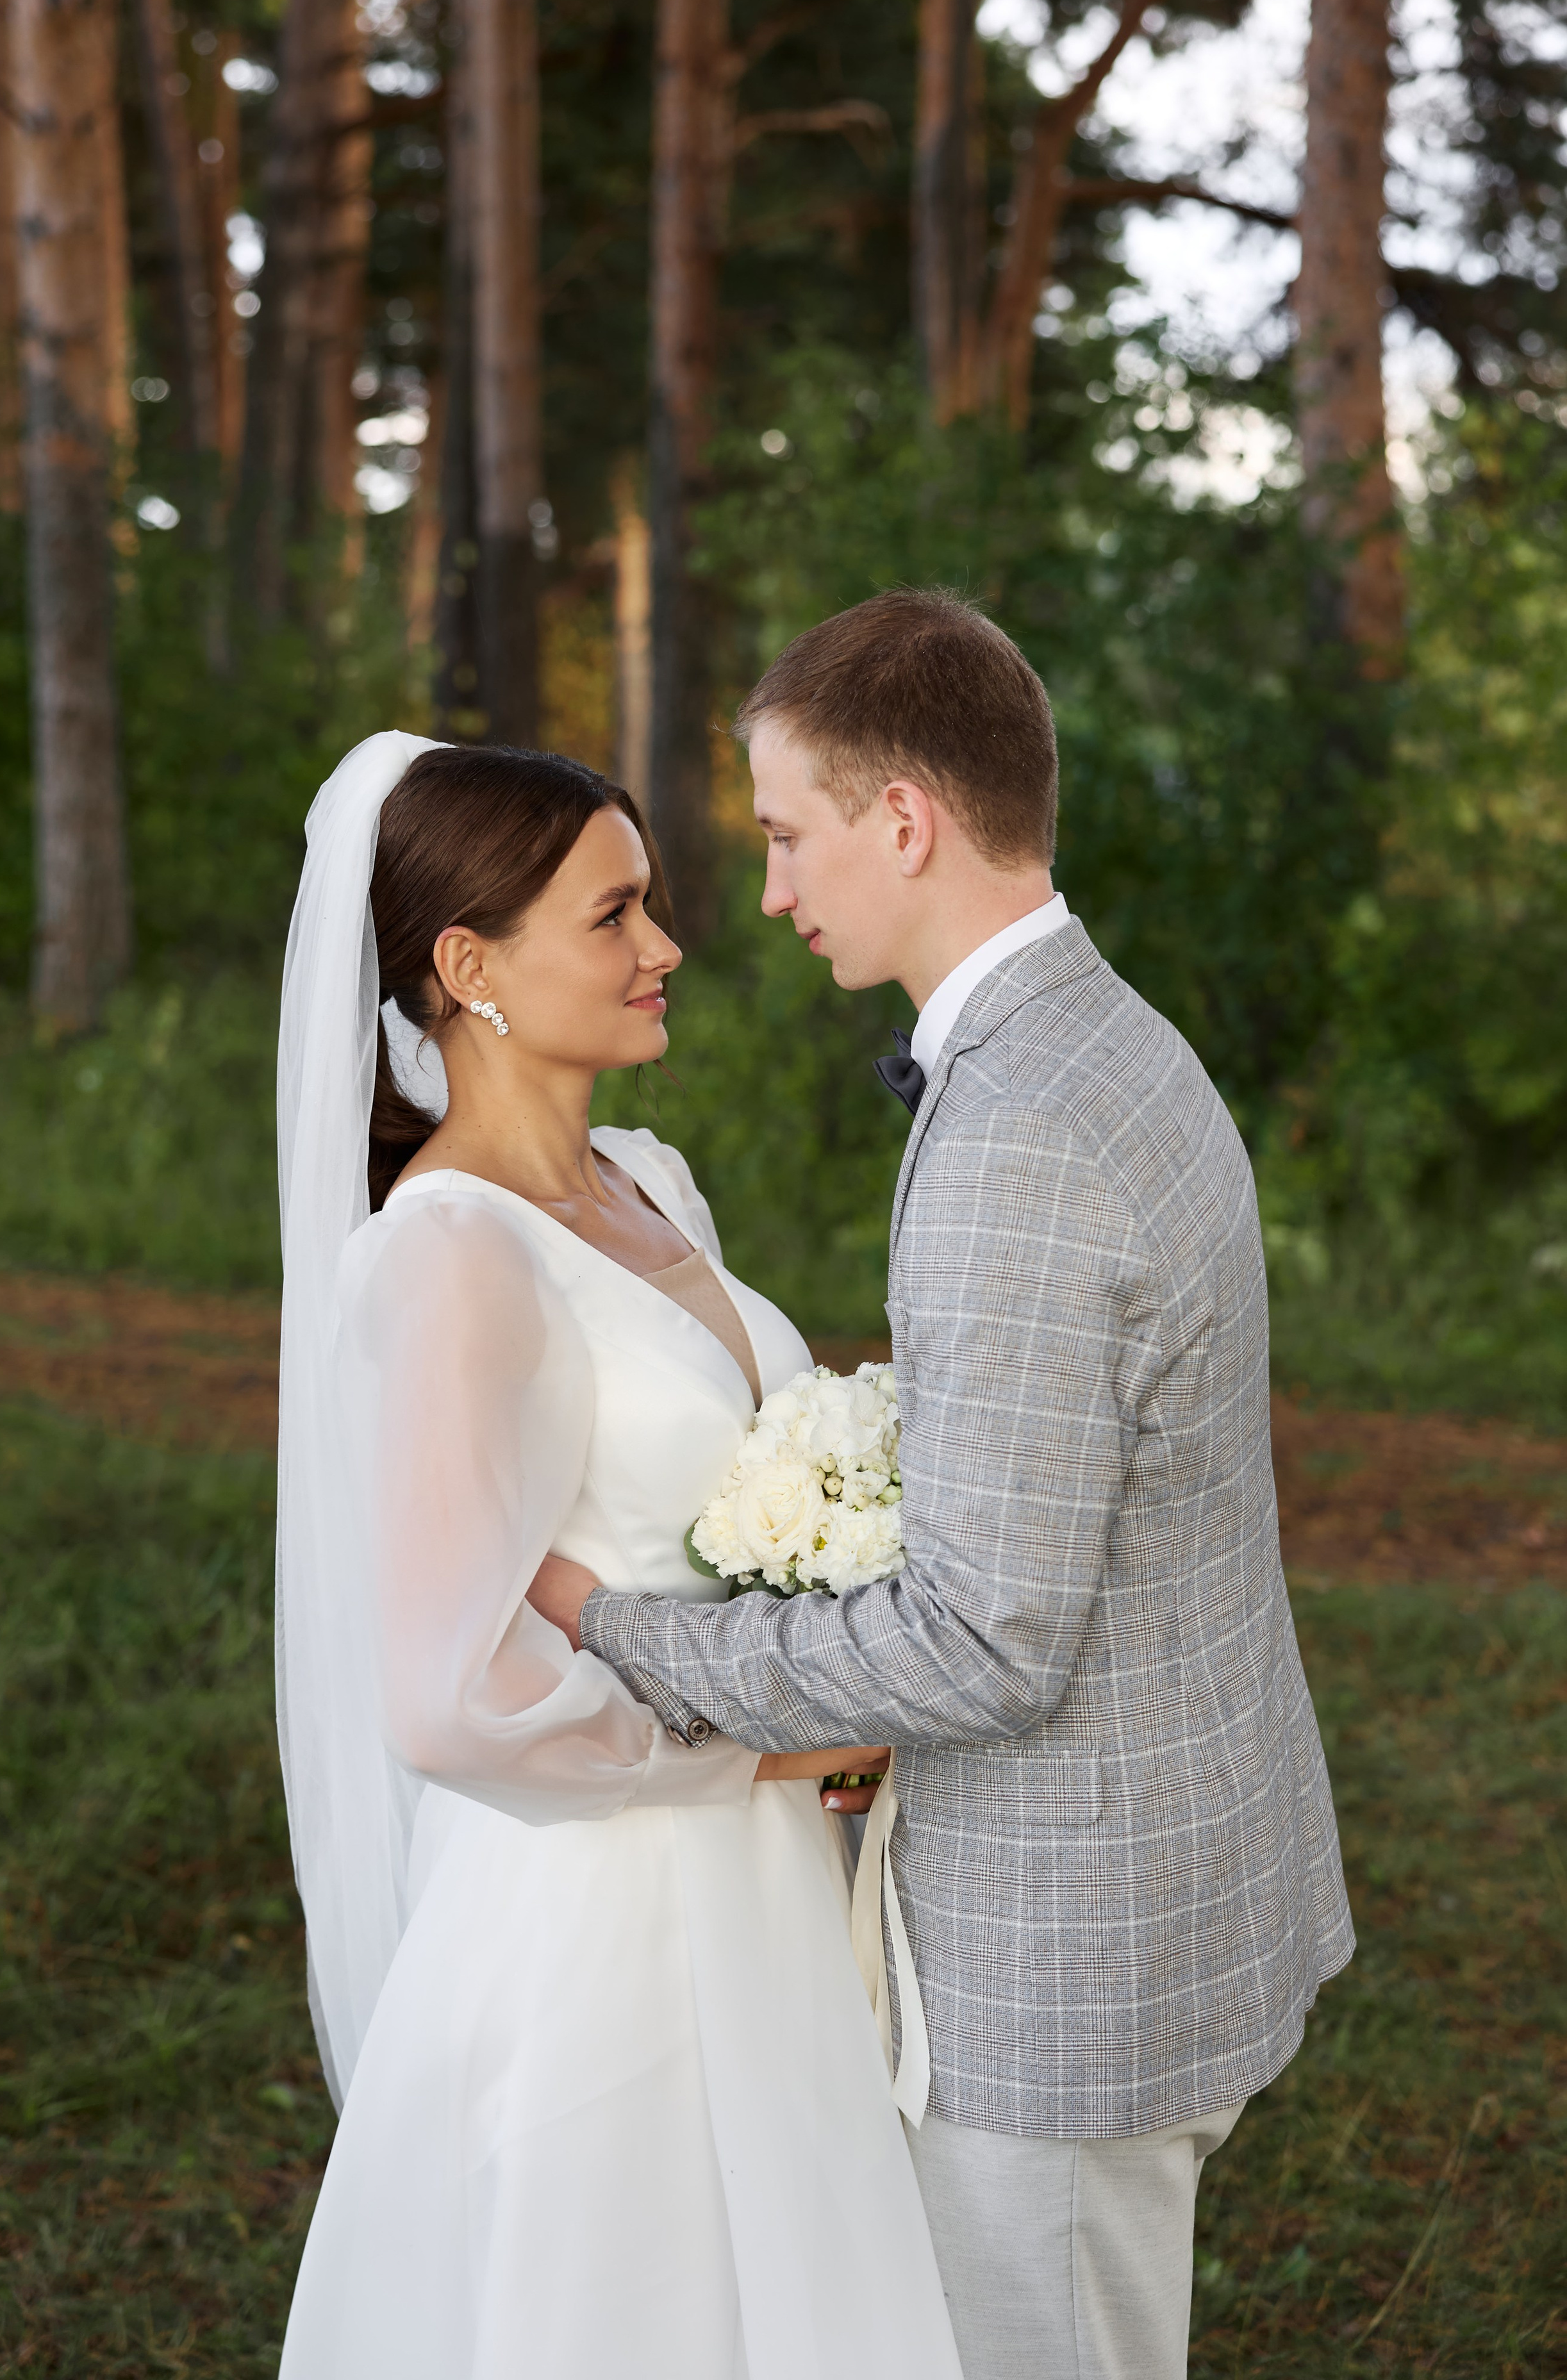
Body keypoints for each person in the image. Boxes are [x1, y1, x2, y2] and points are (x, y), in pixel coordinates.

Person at [531, 589, 1356, 2380]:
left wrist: (632, 1630)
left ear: (903, 820)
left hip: (1067, 1962)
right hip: (1178, 1864)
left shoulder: (1018, 1137)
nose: (763, 894)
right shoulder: (1105, 1037)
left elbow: (985, 1649)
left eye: (783, 836)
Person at [272, 730, 962, 2380]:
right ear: (466, 966)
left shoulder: (647, 1183)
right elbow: (448, 1692)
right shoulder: (444, 1255)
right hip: (597, 1922)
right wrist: (764, 1743)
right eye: (614, 913)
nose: (664, 948)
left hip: (767, 1888)